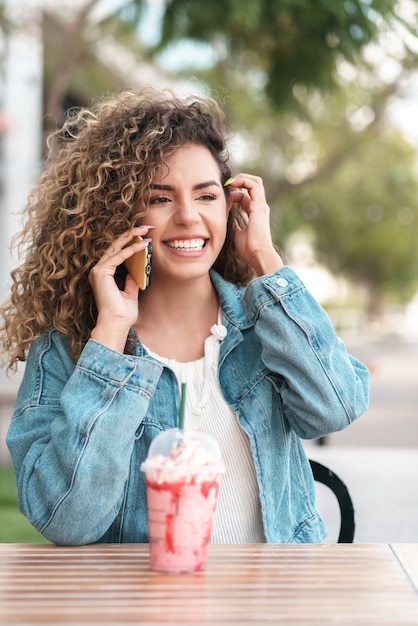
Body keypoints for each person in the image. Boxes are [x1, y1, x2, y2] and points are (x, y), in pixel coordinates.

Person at [0, 87, 369, 546]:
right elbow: (69, 521)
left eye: (207, 196)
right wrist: (111, 333)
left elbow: (335, 408)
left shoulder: (264, 327)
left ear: (231, 206)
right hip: (142, 611)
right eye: (160, 198)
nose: (189, 217)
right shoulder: (69, 349)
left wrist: (266, 259)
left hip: (273, 605)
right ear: (116, 213)